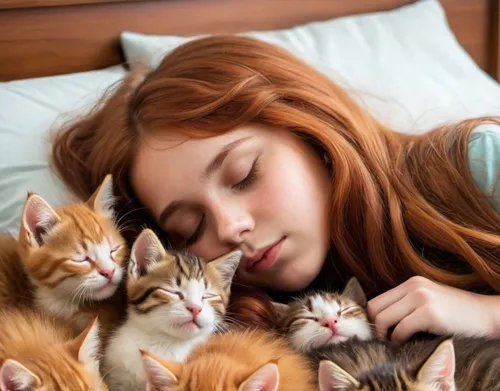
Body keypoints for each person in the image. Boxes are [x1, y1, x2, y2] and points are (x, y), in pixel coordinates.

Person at [52, 35, 500, 344]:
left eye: (244, 175)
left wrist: (489, 316)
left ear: (311, 130)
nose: (230, 228)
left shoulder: (476, 166)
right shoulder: (245, 323)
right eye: (191, 228)